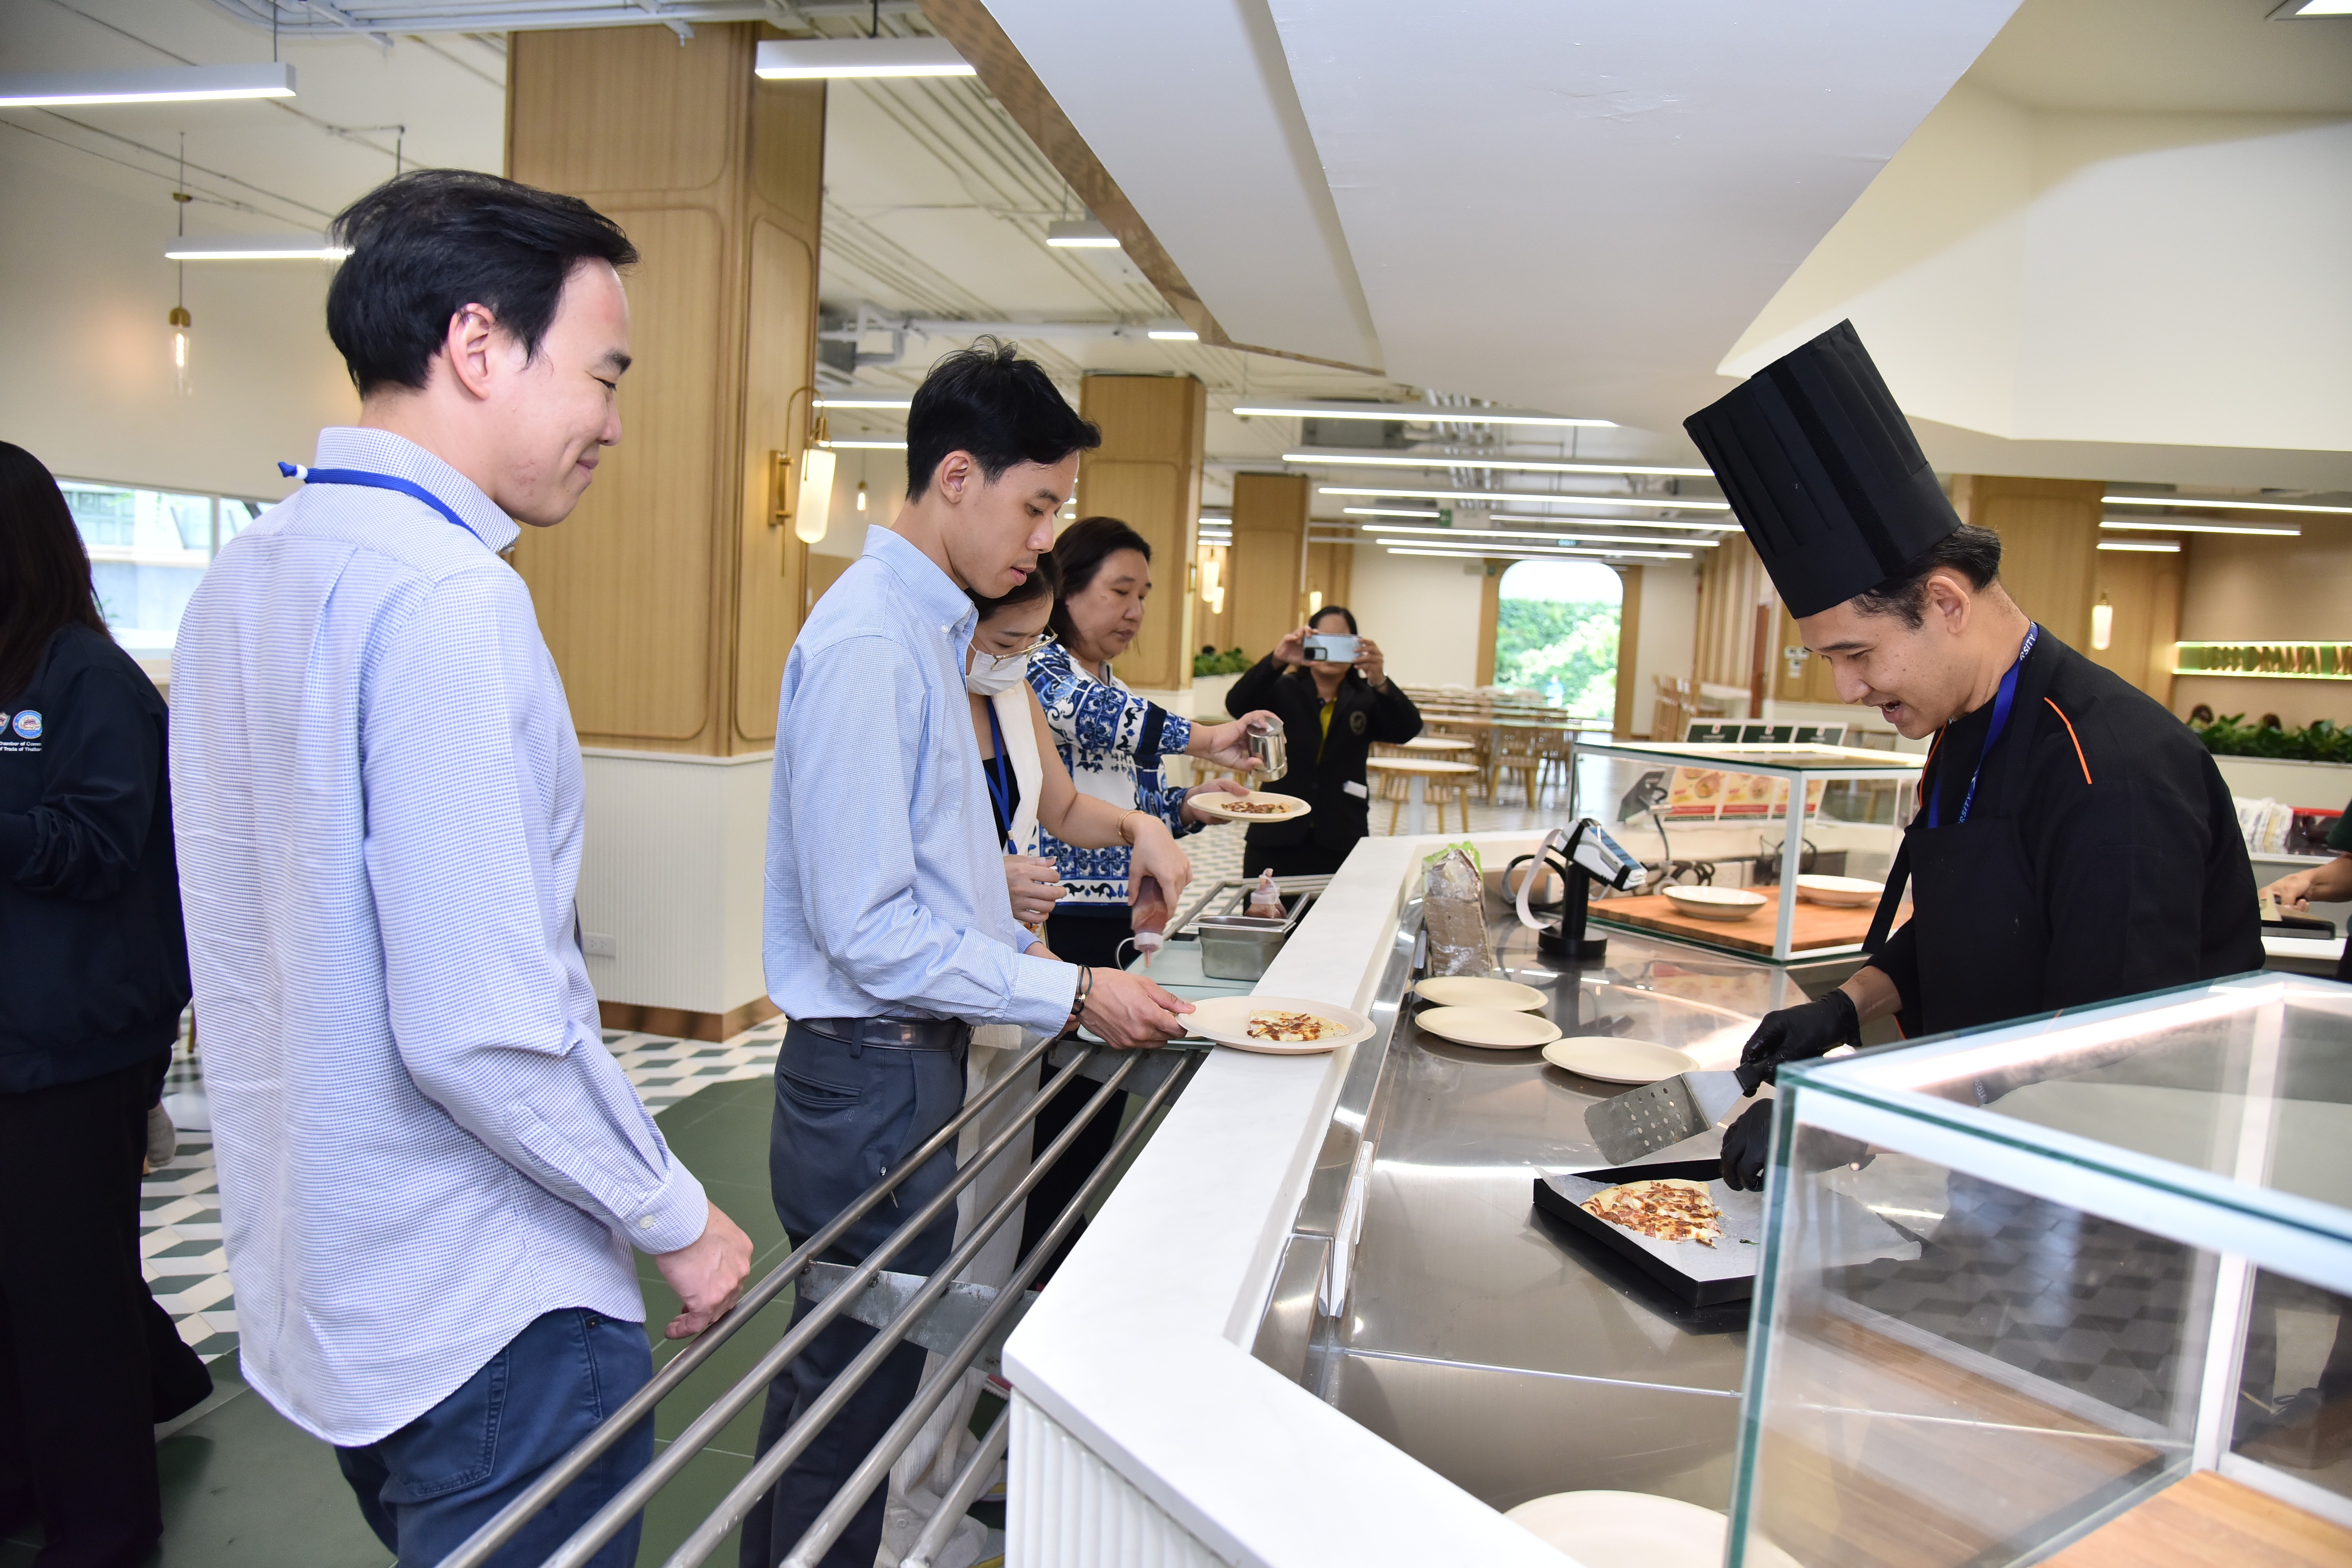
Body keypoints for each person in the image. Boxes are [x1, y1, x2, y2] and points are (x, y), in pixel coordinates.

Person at [170, 170, 752, 1568]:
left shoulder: (243, 576)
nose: (614, 422)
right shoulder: (450, 597)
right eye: (603, 375)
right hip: (491, 1304)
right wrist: (676, 1215)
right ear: (479, 345)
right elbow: (482, 1025)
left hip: (333, 1287)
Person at [753, 341, 1193, 1568]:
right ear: (957, 477)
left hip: (907, 1054)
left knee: (844, 1390)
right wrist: (1072, 990)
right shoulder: (873, 643)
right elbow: (868, 930)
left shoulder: (931, 632)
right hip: (872, 1065)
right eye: (1036, 506)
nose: (1043, 538)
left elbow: (940, 872)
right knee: (851, 1403)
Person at [1680, 320, 2262, 1190]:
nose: (1848, 688)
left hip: (2123, 1189)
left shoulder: (2114, 769)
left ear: (1946, 603)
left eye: (1856, 653)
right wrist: (1849, 1005)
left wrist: (1853, 1111)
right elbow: (1979, 925)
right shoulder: (1962, 728)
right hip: (1999, 1158)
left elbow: (2107, 1040)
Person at [0, 443, 211, 1567]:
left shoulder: (88, 680)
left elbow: (95, 845)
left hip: (77, 1046)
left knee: (66, 1300)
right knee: (25, 1289)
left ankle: (105, 1532)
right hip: (14, 1037)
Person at [1019, 515, 1270, 1268]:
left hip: (1114, 915)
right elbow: (1097, 721)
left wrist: (1192, 806)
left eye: (1144, 595)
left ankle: (1065, 1242)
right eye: (1119, 591)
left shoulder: (1115, 687)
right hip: (1060, 914)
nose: (1134, 611)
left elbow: (1138, 807)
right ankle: (1039, 1257)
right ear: (1066, 589)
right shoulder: (1040, 667)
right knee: (1058, 1105)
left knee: (1099, 1102)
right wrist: (1212, 737)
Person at [1224, 604, 1424, 878]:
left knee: (1337, 907)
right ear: (1308, 642)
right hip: (1276, 827)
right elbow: (1237, 704)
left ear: (1357, 646)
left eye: (1341, 642)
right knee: (1264, 906)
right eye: (1323, 640)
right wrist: (1279, 659)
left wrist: (1379, 679)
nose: (1331, 651)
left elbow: (1406, 730)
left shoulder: (1366, 697)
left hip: (1342, 832)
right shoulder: (1283, 689)